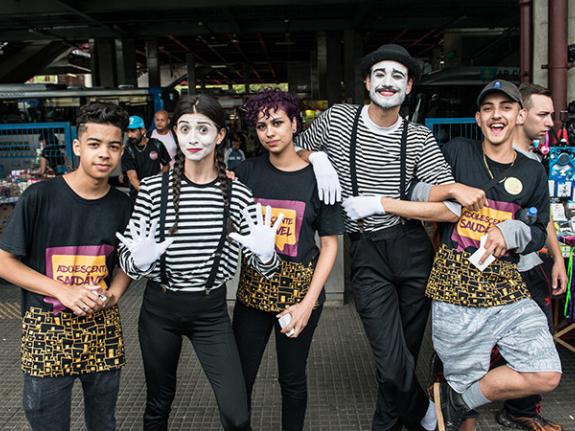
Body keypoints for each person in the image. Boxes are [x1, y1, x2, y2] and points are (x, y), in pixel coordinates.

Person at [296, 44, 477, 431]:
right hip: (366, 254)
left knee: (406, 354)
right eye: (380, 74)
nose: (388, 82)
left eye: (398, 76)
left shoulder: (419, 138)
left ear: (408, 87)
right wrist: (318, 158)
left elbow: (448, 209)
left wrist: (383, 204)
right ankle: (427, 409)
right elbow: (293, 149)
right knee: (391, 359)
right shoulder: (338, 120)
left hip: (411, 248)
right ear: (367, 82)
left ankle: (388, 425)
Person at [391, 80, 562, 431]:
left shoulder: (533, 171)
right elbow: (412, 190)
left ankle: (457, 401)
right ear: (478, 118)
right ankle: (456, 404)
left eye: (505, 107)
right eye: (488, 108)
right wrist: (451, 188)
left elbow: (538, 229)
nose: (496, 114)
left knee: (546, 372)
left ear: (518, 115)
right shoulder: (457, 151)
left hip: (508, 285)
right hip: (457, 286)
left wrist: (510, 232)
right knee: (459, 395)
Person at [117, 94, 284, 431]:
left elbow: (265, 266)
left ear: (220, 135)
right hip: (159, 309)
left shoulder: (238, 194)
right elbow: (129, 258)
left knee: (237, 415)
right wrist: (137, 260)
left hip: (211, 311)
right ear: (175, 133)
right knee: (158, 405)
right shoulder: (152, 189)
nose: (193, 138)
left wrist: (267, 255)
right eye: (185, 128)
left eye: (203, 129)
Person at [0, 102, 133, 430]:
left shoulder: (122, 205)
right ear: (77, 146)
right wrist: (63, 290)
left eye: (113, 146)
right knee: (47, 423)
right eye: (94, 144)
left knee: (103, 422)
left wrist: (113, 295)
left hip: (101, 327)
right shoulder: (39, 197)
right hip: (46, 330)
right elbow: (4, 261)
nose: (104, 154)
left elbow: (127, 264)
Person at [232, 89, 344, 430]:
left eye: (278, 122)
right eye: (262, 125)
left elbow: (329, 245)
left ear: (295, 124)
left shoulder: (320, 178)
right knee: (241, 377)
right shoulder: (246, 172)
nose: (270, 132)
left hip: (299, 293)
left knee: (292, 378)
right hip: (253, 290)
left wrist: (308, 304)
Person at [122, 115, 171, 203]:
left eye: (133, 131)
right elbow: (132, 177)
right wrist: (146, 193)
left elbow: (166, 166)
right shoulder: (128, 149)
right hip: (137, 196)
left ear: (143, 130)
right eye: (128, 131)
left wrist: (159, 177)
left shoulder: (157, 145)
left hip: (157, 193)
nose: (129, 135)